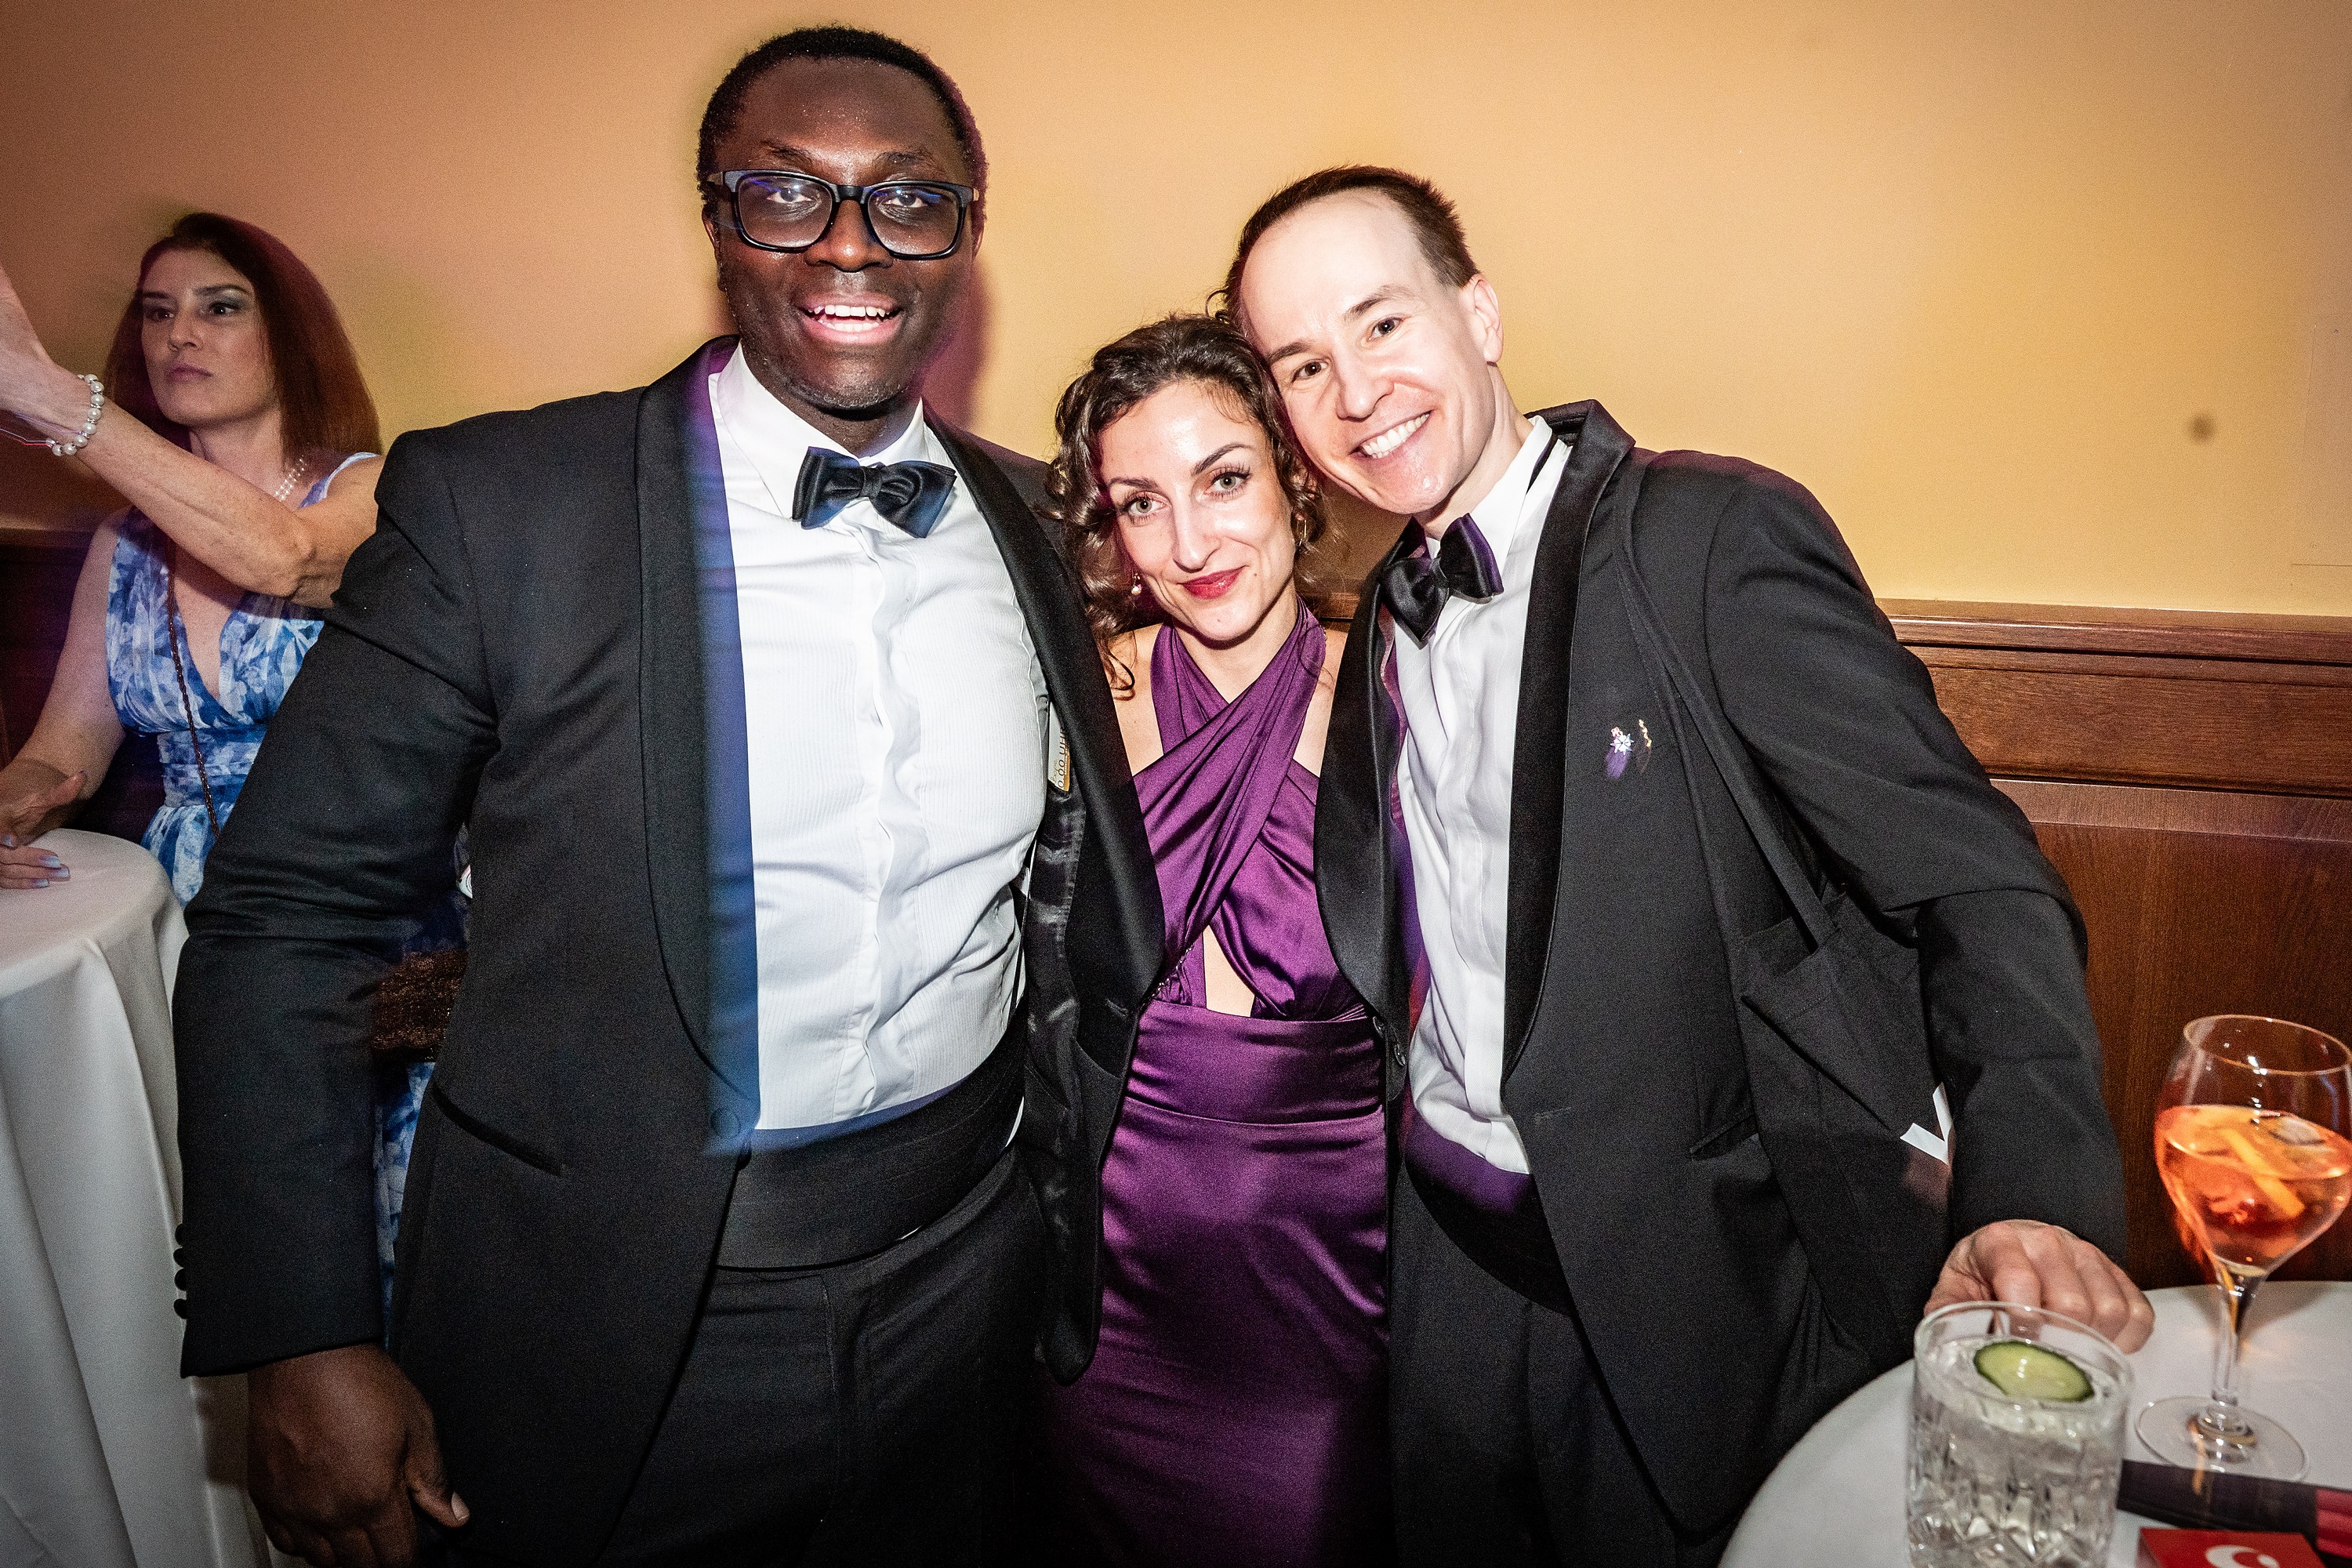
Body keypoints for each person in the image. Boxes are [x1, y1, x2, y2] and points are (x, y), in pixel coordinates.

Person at [172, 27, 1160, 1568]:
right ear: (717, 221)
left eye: (909, 198)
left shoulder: (1038, 522)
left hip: (968, 1288)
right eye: (787, 192)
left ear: (966, 232)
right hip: (615, 1318)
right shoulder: (506, 509)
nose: (850, 243)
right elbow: (284, 915)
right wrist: (299, 1330)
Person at [1223, 165, 2154, 1566]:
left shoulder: (1705, 540)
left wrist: (2035, 1193)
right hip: (1448, 1287)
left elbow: (1973, 874)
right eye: (1304, 365)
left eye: (1383, 324)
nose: (1355, 393)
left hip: (1697, 1304)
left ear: (1479, 314)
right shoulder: (1380, 630)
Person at [0, 213, 460, 1306]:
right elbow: (63, 754)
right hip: (191, 931)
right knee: (257, 1264)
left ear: (288, 335)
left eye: (220, 307)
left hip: (360, 921)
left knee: (394, 1253)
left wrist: (52, 398)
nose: (179, 335)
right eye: (156, 312)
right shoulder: (122, 546)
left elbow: (284, 558)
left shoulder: (374, 493)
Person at [1020, 316, 1387, 1566]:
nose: (1188, 545)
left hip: (1330, 1296)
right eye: (1141, 503)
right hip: (1108, 1296)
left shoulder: (1401, 703)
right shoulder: (1080, 702)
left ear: (1295, 474)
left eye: (1223, 480)